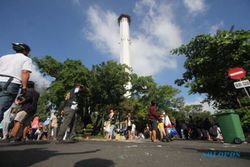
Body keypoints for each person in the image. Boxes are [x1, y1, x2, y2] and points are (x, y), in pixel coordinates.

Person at [0, 43, 32, 122]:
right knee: (1, 108)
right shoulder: (26, 59)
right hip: (11, 84)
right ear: (25, 51)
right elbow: (25, 72)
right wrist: (24, 87)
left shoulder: (4, 57)